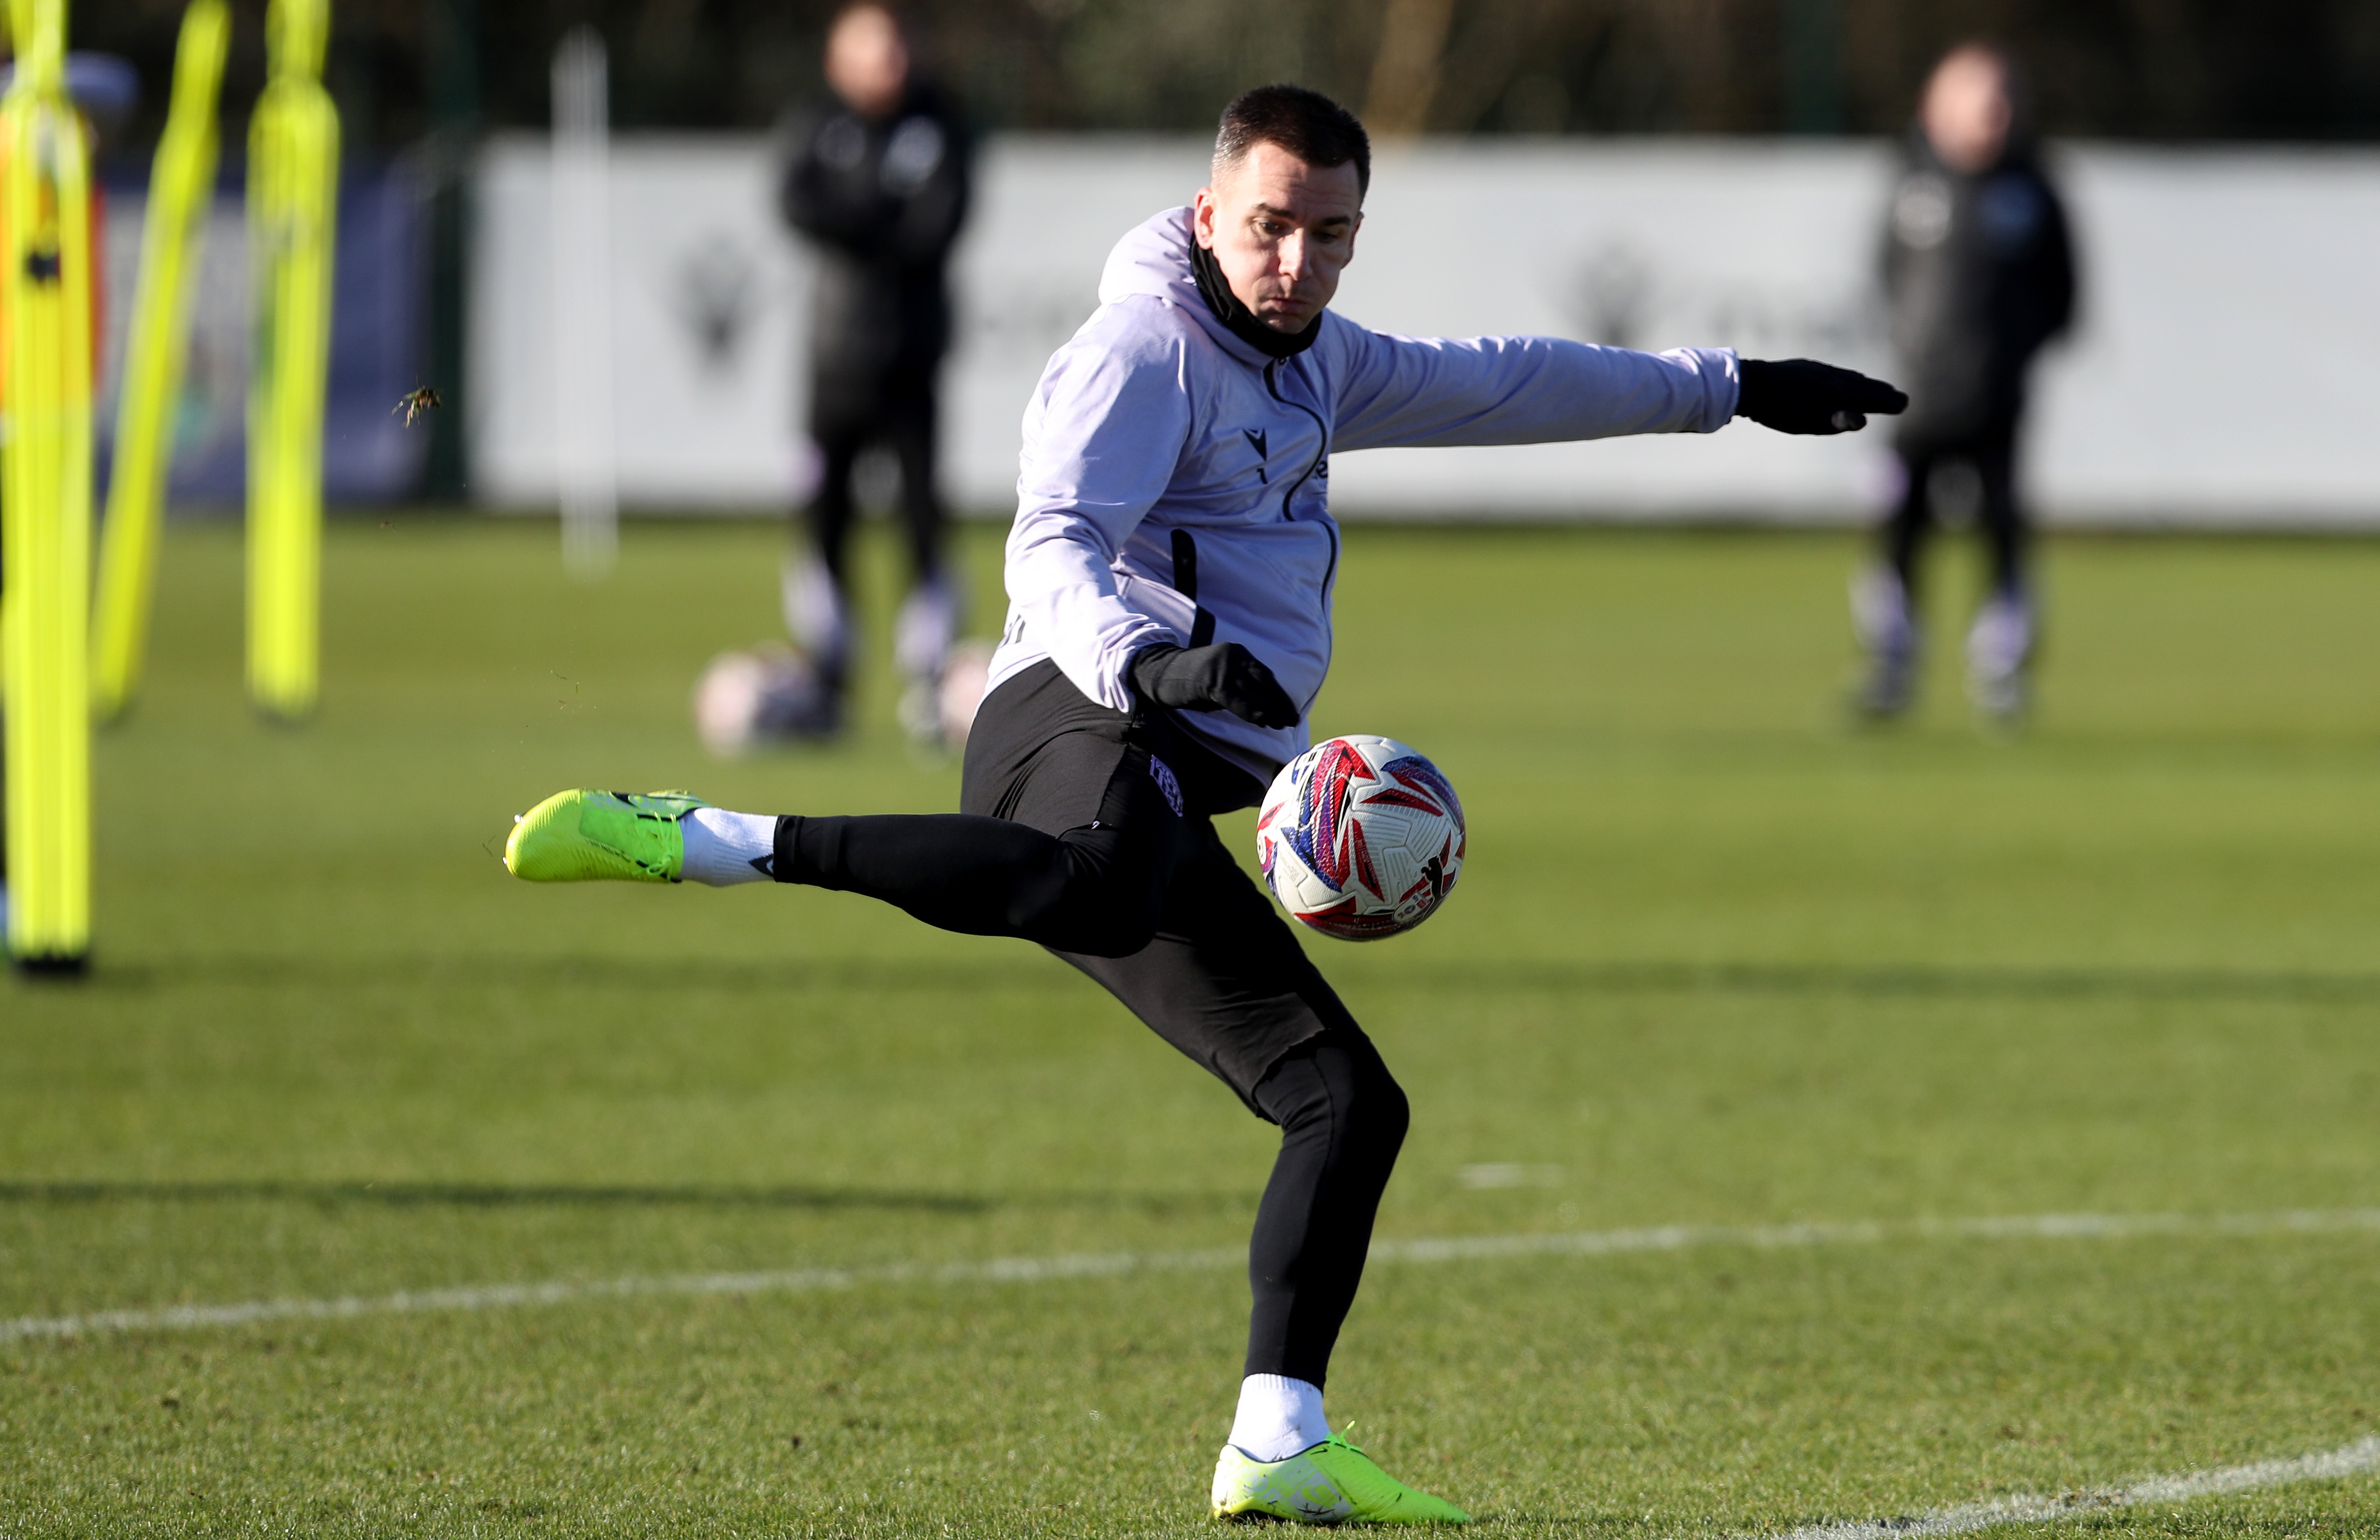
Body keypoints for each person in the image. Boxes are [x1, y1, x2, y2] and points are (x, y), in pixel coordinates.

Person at [505, 85, 1903, 1523]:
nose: (1295, 260)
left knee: (1345, 1103)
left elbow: (1509, 378)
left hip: (1177, 762)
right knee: (1100, 875)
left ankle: (1277, 1433)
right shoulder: (1141, 349)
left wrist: (1730, 386)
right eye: (1270, 226)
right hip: (1077, 710)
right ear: (1208, 213)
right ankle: (711, 838)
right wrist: (1147, 655)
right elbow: (1051, 541)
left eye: (1330, 232)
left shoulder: (1321, 362)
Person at [1855, 42, 2075, 722]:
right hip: (1915, 405)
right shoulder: (1908, 184)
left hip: (1998, 404)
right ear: (1935, 107)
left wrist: (2006, 356)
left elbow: (2063, 296)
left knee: (2002, 537)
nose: (1993, 114)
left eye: (2003, 99)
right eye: (1978, 99)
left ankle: (2001, 674)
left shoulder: (2033, 191)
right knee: (1897, 533)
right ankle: (1889, 664)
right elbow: (1886, 280)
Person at [773, 0, 971, 741]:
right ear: (837, 58)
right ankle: (825, 677)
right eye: (867, 49)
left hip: (914, 360)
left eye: (894, 48)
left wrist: (865, 218)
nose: (884, 64)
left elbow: (941, 221)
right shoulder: (816, 122)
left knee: (922, 519)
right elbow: (796, 204)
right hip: (833, 361)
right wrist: (878, 212)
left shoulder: (938, 121)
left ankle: (933, 684)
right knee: (823, 521)